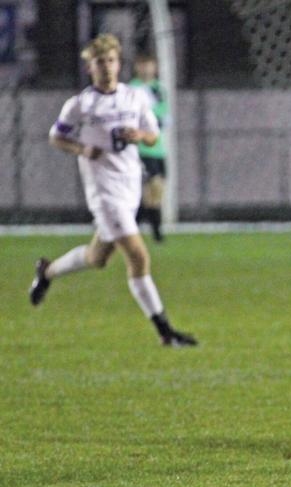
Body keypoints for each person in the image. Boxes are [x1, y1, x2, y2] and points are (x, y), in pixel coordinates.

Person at [29, 33, 197, 347]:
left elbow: (152, 134)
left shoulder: (134, 97)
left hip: (129, 184)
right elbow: (56, 137)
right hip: (104, 192)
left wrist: (139, 135)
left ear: (119, 64)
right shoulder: (80, 104)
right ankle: (166, 332)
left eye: (110, 61)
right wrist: (82, 149)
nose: (106, 67)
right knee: (138, 256)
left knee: (97, 257)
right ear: (90, 67)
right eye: (99, 62)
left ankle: (47, 271)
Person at [129, 53, 167, 242]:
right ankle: (152, 232)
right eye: (142, 65)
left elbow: (163, 115)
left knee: (157, 191)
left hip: (158, 148)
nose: (146, 69)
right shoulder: (132, 89)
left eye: (149, 65)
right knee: (149, 189)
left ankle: (144, 228)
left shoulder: (159, 88)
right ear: (137, 67)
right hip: (140, 150)